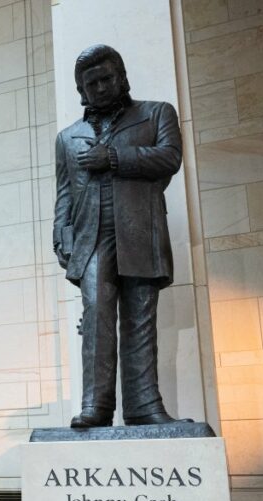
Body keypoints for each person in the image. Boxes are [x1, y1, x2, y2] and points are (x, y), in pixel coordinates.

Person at [53, 44, 185, 428]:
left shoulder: (156, 113)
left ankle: (144, 406)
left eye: (107, 78)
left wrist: (113, 159)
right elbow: (64, 191)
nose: (100, 87)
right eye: (90, 83)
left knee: (140, 318)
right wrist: (62, 233)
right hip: (91, 236)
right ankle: (96, 405)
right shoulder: (68, 137)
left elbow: (169, 158)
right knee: (96, 316)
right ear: (81, 90)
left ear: (122, 77)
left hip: (139, 229)